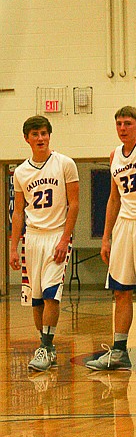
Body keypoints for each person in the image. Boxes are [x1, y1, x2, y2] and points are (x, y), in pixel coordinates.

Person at [85, 106, 136, 371]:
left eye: (128, 123)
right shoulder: (114, 156)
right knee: (121, 291)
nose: (123, 128)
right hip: (124, 226)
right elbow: (114, 198)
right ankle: (119, 351)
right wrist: (106, 237)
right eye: (119, 124)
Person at [10, 115, 79, 372]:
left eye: (44, 133)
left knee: (52, 294)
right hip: (33, 237)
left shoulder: (65, 164)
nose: (40, 138)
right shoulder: (20, 172)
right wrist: (13, 246)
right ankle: (45, 347)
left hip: (57, 235)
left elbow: (75, 204)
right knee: (36, 299)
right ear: (26, 138)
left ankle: (47, 347)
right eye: (35, 134)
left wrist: (65, 238)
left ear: (50, 135)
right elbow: (18, 212)